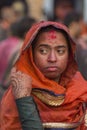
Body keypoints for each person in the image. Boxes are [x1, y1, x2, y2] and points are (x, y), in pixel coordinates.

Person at [0, 21, 87, 130]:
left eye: (60, 51)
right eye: (43, 51)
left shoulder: (81, 91)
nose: (52, 58)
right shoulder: (19, 92)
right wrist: (24, 100)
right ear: (31, 54)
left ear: (69, 55)